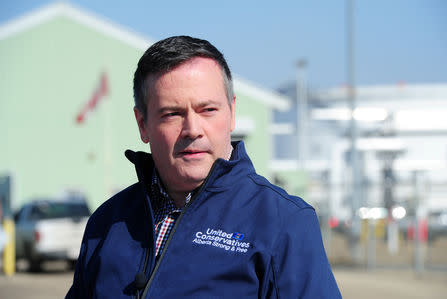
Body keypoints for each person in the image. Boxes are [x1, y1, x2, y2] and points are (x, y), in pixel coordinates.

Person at [66, 35, 341, 298]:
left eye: (207, 110)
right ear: (142, 124)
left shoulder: (285, 223)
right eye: (172, 114)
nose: (192, 129)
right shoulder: (107, 223)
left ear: (232, 113)